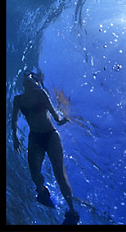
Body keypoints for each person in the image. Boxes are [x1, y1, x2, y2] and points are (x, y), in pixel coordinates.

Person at [12, 71, 79, 225]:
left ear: (37, 83)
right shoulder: (18, 100)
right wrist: (15, 138)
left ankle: (72, 211)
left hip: (50, 136)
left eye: (32, 79)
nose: (29, 80)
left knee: (60, 176)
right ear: (23, 84)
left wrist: (64, 120)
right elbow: (14, 120)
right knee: (34, 173)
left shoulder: (41, 93)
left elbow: (55, 117)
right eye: (26, 79)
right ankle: (42, 192)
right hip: (34, 138)